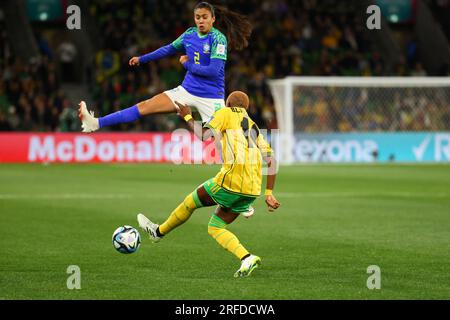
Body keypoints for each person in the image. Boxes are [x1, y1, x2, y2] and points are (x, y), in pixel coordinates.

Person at [137, 91, 281, 277]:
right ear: (248, 107)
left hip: (230, 182)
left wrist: (187, 115)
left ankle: (158, 232)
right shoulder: (253, 126)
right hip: (252, 190)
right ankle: (247, 258)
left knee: (191, 201)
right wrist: (268, 193)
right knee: (215, 227)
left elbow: (204, 135)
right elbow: (272, 161)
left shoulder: (225, 112)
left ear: (228, 103)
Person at [78, 2, 252, 132]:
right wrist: (142, 59)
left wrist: (187, 64)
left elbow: (213, 71)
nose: (201, 21)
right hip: (187, 91)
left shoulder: (218, 39)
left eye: (205, 17)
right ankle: (95, 123)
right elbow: (168, 49)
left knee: (222, 139)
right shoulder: (189, 34)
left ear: (213, 19)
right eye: (197, 17)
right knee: (145, 106)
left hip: (212, 97)